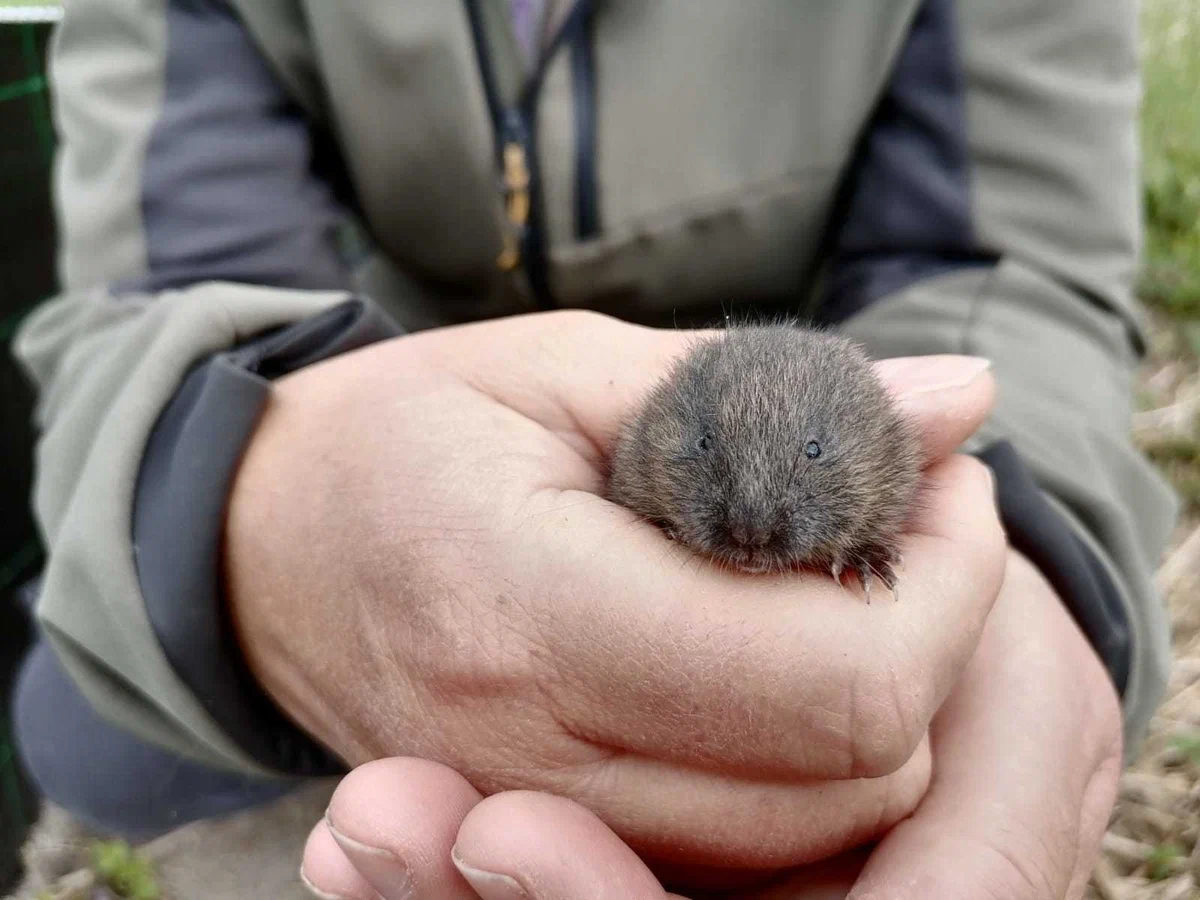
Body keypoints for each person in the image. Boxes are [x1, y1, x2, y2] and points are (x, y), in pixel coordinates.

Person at [9, 0, 1178, 896]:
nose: (758, 527)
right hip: (398, 374)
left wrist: (1033, 550)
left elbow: (1010, 259)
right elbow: (162, 275)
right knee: (81, 731)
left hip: (829, 337)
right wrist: (263, 487)